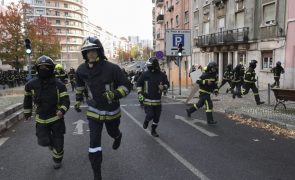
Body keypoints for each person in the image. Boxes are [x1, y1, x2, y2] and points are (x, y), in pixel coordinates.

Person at [74, 36, 132, 180]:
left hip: (112, 111)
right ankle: (97, 174)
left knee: (113, 132)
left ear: (99, 51)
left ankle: (118, 136)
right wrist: (78, 99)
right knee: (94, 143)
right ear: (84, 54)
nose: (91, 54)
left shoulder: (112, 68)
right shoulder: (81, 70)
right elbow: (80, 85)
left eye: (93, 51)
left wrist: (115, 94)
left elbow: (127, 85)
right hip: (94, 111)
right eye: (88, 52)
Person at [23, 55, 70, 169]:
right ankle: (51, 144)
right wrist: (27, 113)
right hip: (41, 119)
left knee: (58, 144)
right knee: (43, 141)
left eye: (46, 67)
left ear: (51, 68)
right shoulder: (31, 85)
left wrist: (62, 110)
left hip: (56, 118)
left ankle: (57, 159)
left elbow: (65, 100)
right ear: (37, 69)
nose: (44, 69)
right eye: (41, 67)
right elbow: (27, 99)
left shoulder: (59, 85)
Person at [136, 57, 170, 137]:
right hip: (147, 100)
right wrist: (140, 93)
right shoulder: (145, 74)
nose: (148, 67)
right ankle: (146, 121)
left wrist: (164, 87)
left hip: (157, 101)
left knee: (156, 118)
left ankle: (153, 129)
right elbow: (139, 84)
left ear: (155, 66)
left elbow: (167, 84)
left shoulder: (162, 75)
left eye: (150, 65)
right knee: (150, 115)